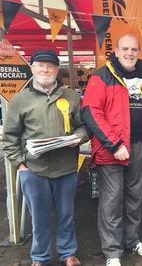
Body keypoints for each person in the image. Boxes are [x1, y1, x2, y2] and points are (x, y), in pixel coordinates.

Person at [2, 49, 90, 266]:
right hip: (33, 169)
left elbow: (84, 127)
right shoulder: (20, 99)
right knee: (39, 218)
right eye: (40, 65)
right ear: (32, 69)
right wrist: (20, 164)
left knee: (66, 214)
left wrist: (77, 137)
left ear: (56, 70)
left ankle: (67, 253)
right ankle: (39, 257)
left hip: (66, 167)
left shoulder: (70, 96)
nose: (45, 70)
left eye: (50, 66)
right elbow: (10, 136)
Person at [81, 34, 142, 266]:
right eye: (125, 49)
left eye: (134, 49)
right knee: (112, 201)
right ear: (115, 51)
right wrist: (114, 144)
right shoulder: (100, 76)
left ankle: (131, 241)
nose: (130, 53)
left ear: (139, 52)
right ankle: (113, 252)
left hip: (140, 144)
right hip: (112, 149)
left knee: (135, 196)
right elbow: (90, 112)